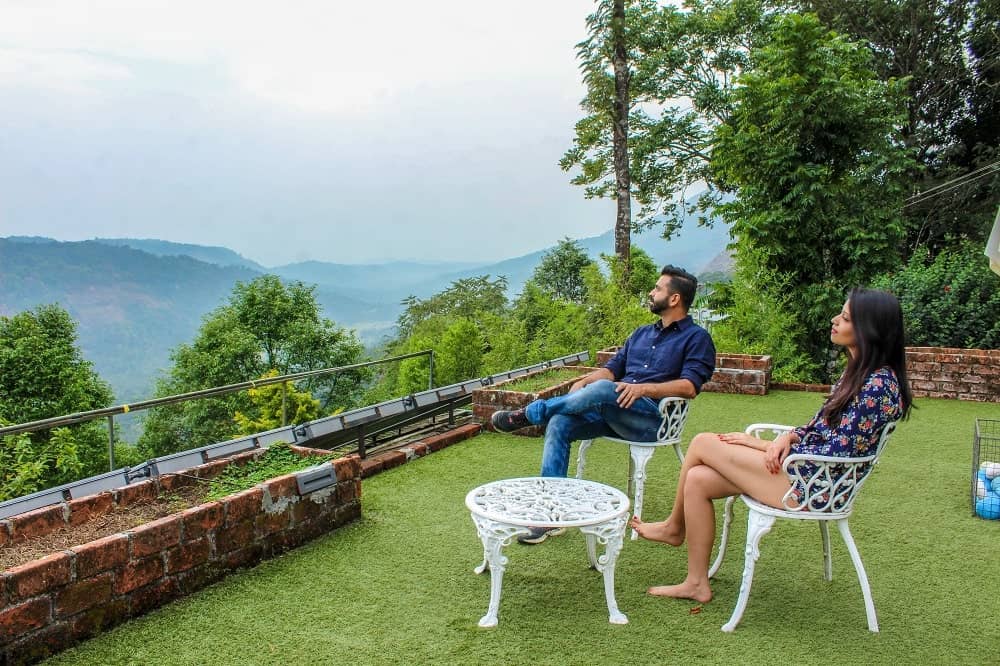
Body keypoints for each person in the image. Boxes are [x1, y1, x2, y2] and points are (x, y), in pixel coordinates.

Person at [630, 288, 912, 603]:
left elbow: (834, 454)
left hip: (812, 487)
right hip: (805, 472)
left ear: (868, 330)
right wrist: (787, 437)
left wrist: (761, 447)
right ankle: (696, 583)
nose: (835, 321)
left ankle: (673, 527)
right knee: (697, 480)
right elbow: (821, 429)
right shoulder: (860, 374)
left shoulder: (877, 387)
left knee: (702, 442)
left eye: (845, 318)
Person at [491, 265, 716, 544]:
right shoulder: (641, 334)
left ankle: (530, 413)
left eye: (657, 288)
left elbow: (690, 387)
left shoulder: (697, 338)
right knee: (561, 422)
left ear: (674, 299)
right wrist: (584, 383)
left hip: (651, 419)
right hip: (613, 411)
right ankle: (550, 515)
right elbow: (610, 371)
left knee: (603, 390)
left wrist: (642, 388)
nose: (651, 292)